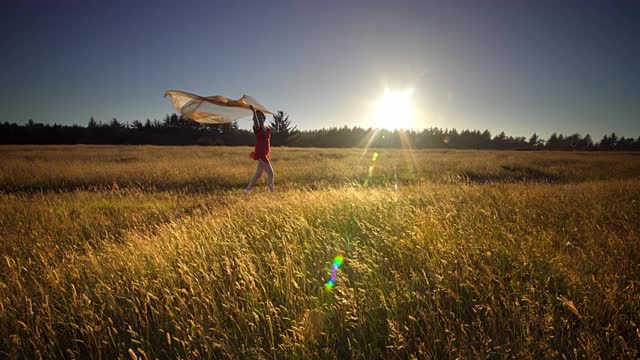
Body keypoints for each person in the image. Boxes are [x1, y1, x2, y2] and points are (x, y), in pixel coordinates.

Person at [244, 105, 274, 195]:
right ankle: (272, 194)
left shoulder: (267, 128)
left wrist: (276, 119)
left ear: (264, 118)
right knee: (271, 173)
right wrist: (253, 111)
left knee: (258, 175)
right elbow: (256, 122)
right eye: (258, 117)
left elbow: (277, 130)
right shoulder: (257, 128)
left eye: (261, 117)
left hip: (265, 152)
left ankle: (246, 191)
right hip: (261, 153)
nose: (260, 119)